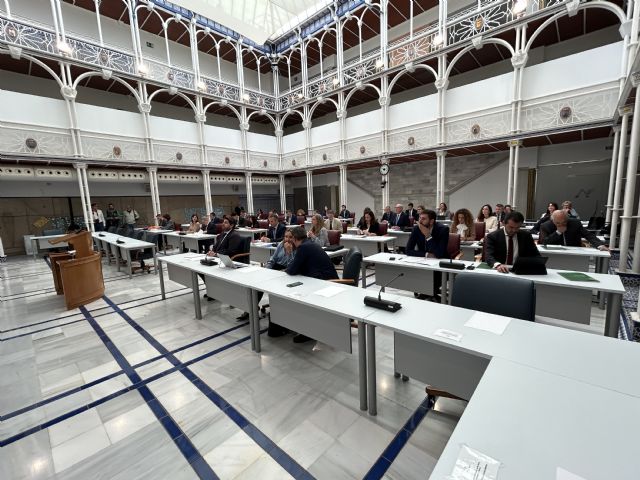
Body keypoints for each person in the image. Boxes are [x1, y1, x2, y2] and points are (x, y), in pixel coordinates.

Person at [286, 226, 339, 342]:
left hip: (326, 283)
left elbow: (291, 270)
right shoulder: (309, 244)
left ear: (294, 239)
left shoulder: (303, 248)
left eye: (291, 239)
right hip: (324, 279)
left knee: (298, 294)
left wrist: (290, 254)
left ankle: (309, 331)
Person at [201, 217, 245, 302]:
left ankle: (215, 291)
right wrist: (212, 251)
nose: (223, 224)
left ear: (231, 225)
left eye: (226, 223)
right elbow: (216, 246)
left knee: (209, 270)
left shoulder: (234, 235)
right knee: (201, 270)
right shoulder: (222, 234)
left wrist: (216, 254)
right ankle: (213, 290)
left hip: (229, 260)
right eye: (223, 222)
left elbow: (231, 251)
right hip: (219, 258)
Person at [541, 210, 608, 250]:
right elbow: (544, 242)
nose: (561, 225)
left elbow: (588, 235)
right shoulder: (545, 226)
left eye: (564, 222)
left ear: (567, 219)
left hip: (575, 251)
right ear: (553, 221)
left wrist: (600, 245)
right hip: (554, 254)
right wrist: (558, 232)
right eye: (558, 223)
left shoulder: (575, 223)